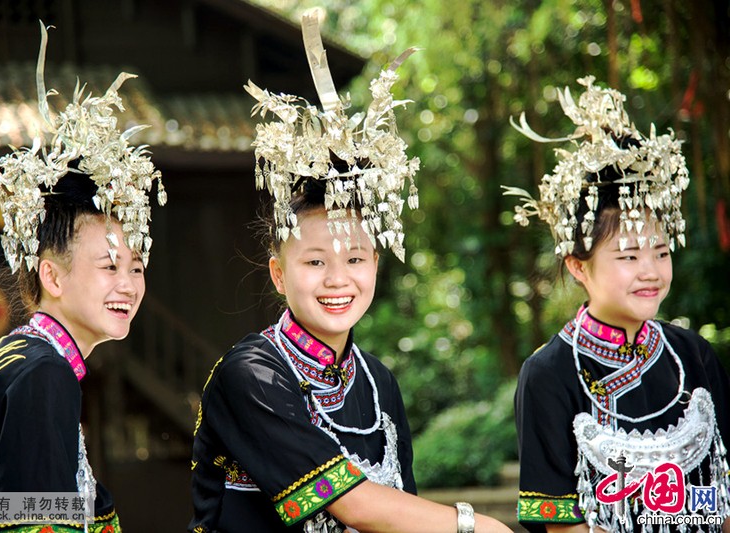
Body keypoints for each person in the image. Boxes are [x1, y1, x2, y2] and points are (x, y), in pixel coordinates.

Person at [188, 10, 512, 533]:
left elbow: (400, 516)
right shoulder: (250, 375)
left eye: (355, 259)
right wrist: (475, 525)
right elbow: (350, 502)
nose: (338, 279)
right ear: (277, 274)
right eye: (315, 262)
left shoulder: (378, 381)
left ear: (376, 265)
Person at [0, 22, 165, 533]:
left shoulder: (18, 361)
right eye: (108, 267)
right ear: (51, 277)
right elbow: (33, 525)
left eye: (136, 267)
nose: (127, 284)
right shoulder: (44, 373)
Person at [504, 76, 730, 532]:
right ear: (578, 267)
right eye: (628, 256)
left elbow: (724, 499)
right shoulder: (548, 375)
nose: (650, 271)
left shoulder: (694, 355)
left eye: (661, 252)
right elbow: (559, 524)